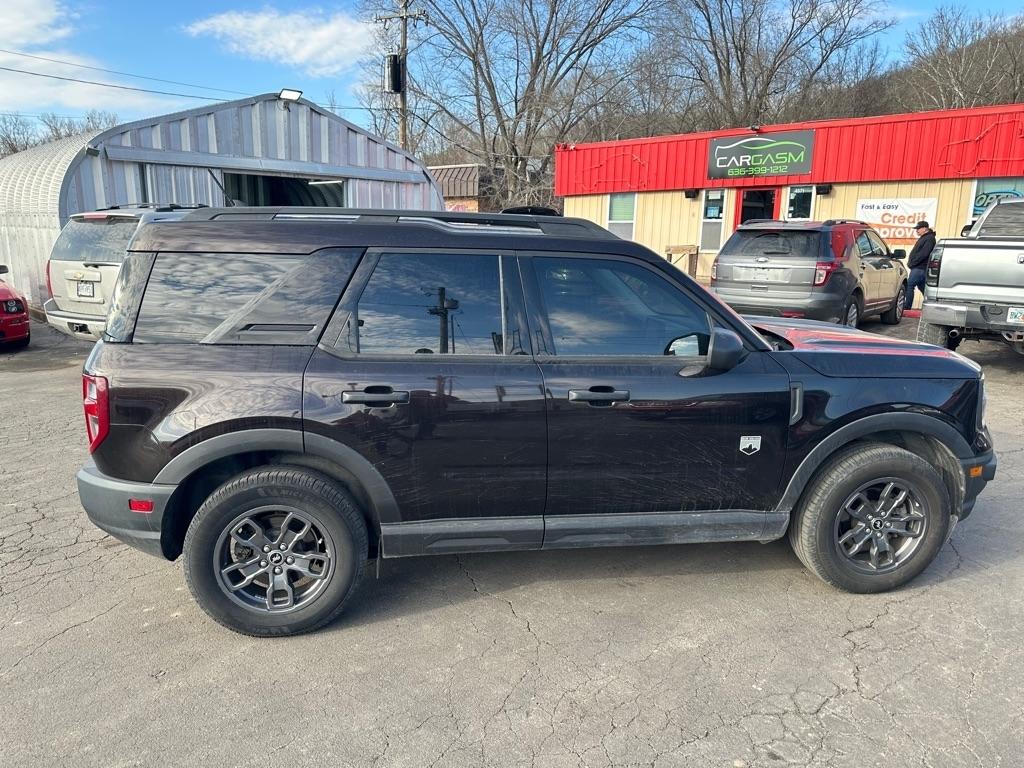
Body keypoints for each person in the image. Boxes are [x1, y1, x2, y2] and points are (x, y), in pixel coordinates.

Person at [905, 220, 935, 311]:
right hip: (919, 267)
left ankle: (907, 307)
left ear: (925, 228)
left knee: (910, 285)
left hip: (920, 267)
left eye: (918, 228)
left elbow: (924, 254)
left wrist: (913, 263)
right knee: (923, 288)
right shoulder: (925, 237)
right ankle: (932, 306)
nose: (916, 230)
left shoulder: (929, 238)